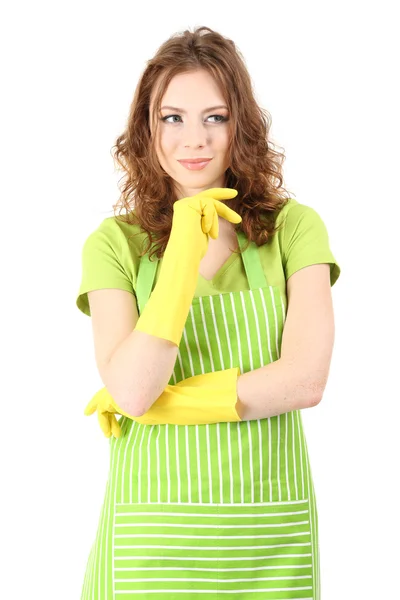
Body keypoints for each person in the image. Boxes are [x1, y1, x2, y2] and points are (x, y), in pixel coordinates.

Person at [76, 25, 340, 600]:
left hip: (268, 539)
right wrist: (181, 254)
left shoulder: (295, 229)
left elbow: (305, 381)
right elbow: (133, 391)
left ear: (239, 125)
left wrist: (166, 406)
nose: (193, 139)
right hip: (151, 539)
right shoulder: (113, 244)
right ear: (147, 129)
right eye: (172, 117)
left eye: (214, 117)